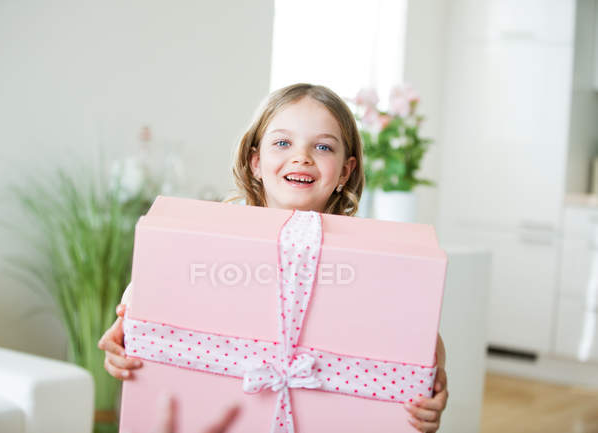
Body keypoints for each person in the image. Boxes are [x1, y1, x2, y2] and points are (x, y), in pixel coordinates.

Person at [98, 83, 448, 433]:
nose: (302, 157)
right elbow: (156, 291)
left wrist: (433, 386)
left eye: (323, 147)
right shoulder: (215, 237)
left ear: (345, 171)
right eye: (283, 143)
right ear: (256, 162)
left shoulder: (370, 257)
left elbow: (416, 335)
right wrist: (124, 327)